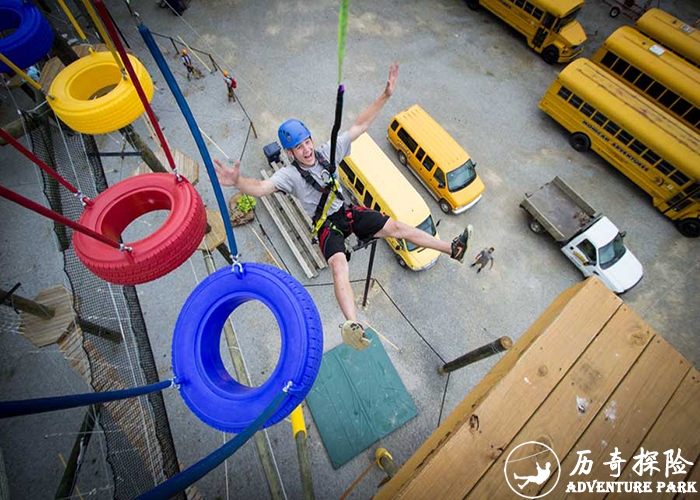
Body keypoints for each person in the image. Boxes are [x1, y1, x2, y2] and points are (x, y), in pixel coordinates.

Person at [214, 63, 472, 350]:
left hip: (347, 211)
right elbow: (261, 188)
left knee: (397, 227)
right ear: (290, 153)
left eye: (307, 141)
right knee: (339, 266)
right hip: (326, 225)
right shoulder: (289, 175)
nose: (307, 149)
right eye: (299, 147)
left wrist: (385, 95)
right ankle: (352, 323)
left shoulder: (327, 151)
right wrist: (239, 183)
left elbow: (359, 125)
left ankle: (452, 248)